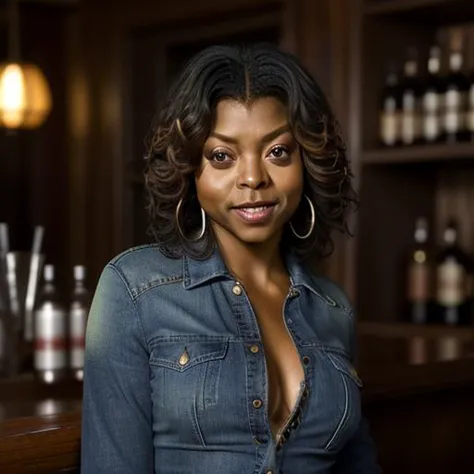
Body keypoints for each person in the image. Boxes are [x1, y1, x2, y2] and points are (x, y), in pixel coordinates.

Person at [81, 43, 382, 473]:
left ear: (307, 160)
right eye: (221, 156)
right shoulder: (133, 292)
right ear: (190, 169)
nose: (253, 178)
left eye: (277, 151)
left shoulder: (332, 307)